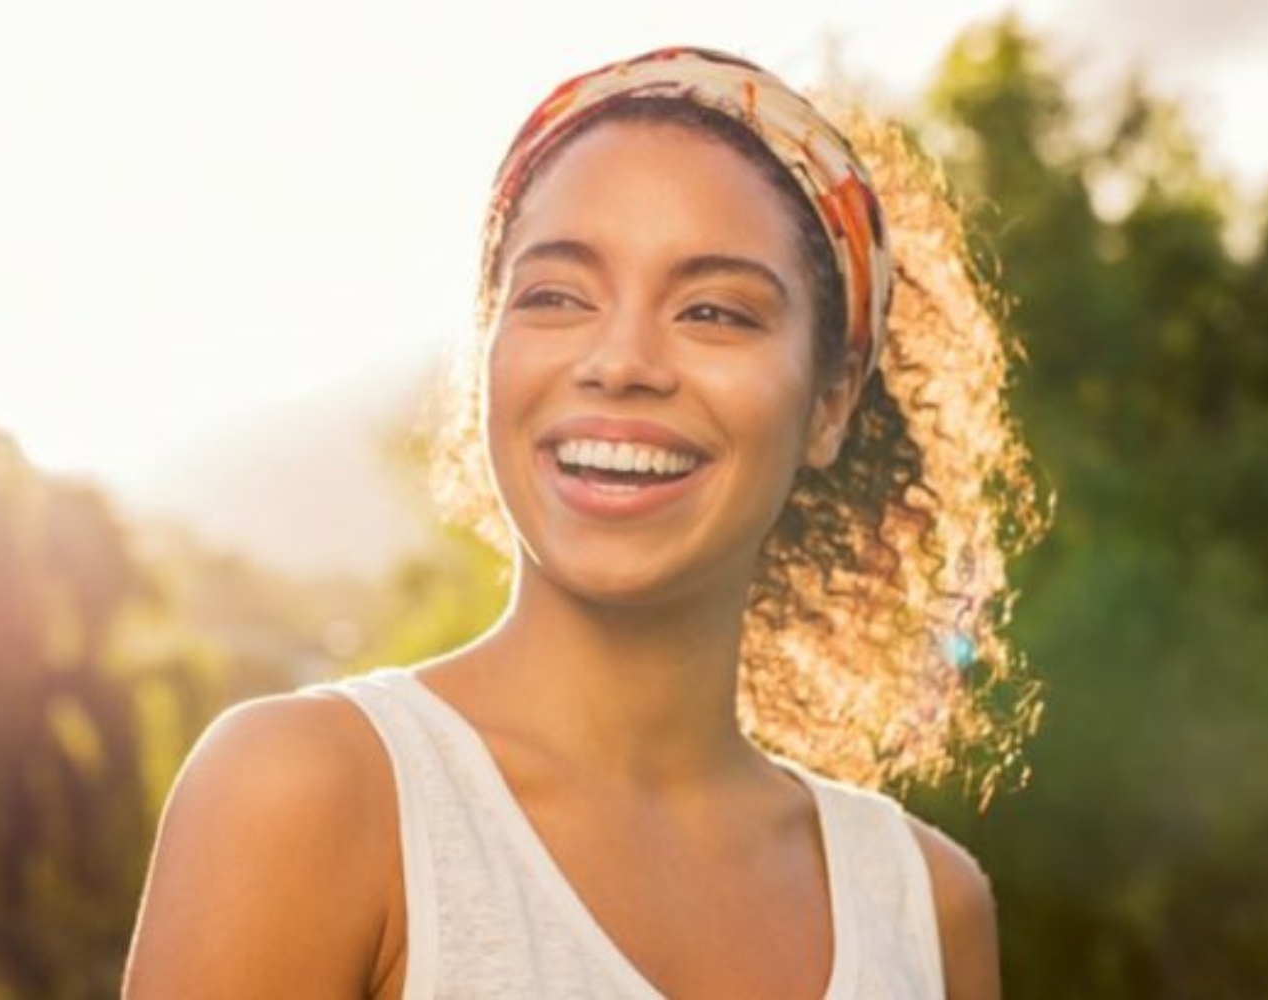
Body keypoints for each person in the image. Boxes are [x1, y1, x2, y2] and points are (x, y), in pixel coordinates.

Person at [124, 45, 1041, 999]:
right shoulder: (305, 794)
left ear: (829, 404)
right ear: (491, 350)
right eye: (556, 295)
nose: (620, 360)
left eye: (715, 312)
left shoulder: (926, 910)